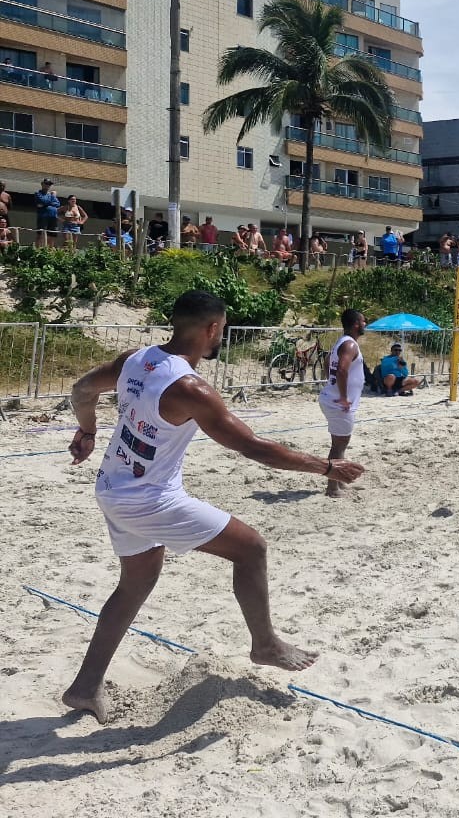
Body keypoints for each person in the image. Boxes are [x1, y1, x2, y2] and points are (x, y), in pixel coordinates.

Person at [62, 290, 363, 724]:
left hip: (112, 487)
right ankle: (265, 645)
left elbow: (81, 389)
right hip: (148, 499)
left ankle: (84, 688)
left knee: (134, 586)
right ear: (213, 329)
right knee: (250, 548)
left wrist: (86, 431)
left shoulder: (136, 358)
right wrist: (326, 467)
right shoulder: (190, 387)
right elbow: (252, 447)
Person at [318, 309, 366, 498]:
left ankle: (338, 480)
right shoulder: (350, 345)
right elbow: (342, 370)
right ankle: (332, 487)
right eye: (363, 321)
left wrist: (329, 383)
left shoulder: (342, 342)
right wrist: (344, 396)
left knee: (340, 443)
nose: (365, 324)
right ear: (356, 324)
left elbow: (328, 361)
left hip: (332, 399)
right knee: (338, 446)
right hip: (338, 403)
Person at [35, 178, 59, 247]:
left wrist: (45, 204)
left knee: (52, 235)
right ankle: (38, 250)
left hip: (53, 217)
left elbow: (57, 204)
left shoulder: (50, 195)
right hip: (43, 217)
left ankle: (49, 251)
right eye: (47, 184)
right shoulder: (38, 193)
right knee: (41, 234)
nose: (48, 186)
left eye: (49, 184)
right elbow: (43, 201)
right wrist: (53, 197)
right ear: (42, 184)